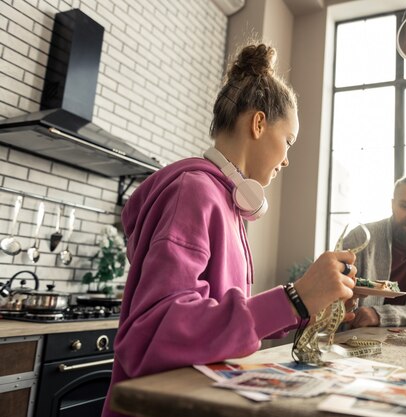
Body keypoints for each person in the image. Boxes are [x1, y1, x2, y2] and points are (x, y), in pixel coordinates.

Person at [102, 43, 358, 417]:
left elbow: (219, 322)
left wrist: (306, 309)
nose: (287, 159)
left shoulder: (228, 203)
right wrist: (294, 298)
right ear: (258, 123)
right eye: (288, 141)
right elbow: (155, 333)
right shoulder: (193, 192)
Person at [343, 175, 406, 328]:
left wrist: (380, 314)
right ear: (392, 205)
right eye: (405, 206)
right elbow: (332, 298)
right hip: (354, 336)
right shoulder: (360, 237)